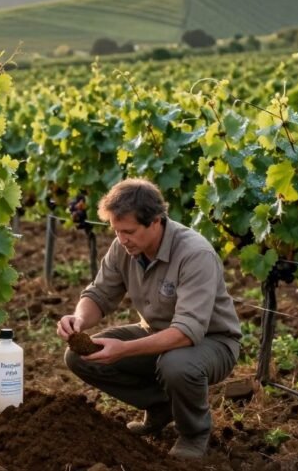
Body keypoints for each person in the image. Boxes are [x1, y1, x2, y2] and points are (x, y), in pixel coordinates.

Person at [57, 178, 241, 459]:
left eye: (128, 231)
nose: (121, 239)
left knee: (176, 364)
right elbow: (99, 294)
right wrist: (79, 320)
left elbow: (186, 332)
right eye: (116, 231)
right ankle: (161, 406)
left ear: (156, 221)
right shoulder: (124, 248)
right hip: (156, 332)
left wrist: (124, 350)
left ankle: (194, 433)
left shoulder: (194, 254)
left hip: (211, 342)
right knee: (79, 356)